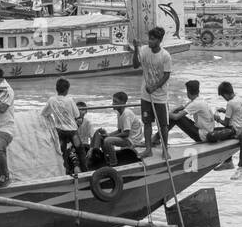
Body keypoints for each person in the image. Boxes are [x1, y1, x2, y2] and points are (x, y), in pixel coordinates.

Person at [135, 26, 173, 158]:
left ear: (159, 40)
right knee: (147, 123)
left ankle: (165, 150)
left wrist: (154, 87)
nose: (149, 41)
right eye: (149, 39)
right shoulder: (144, 50)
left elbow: (166, 75)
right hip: (146, 96)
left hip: (160, 97)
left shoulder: (165, 56)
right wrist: (135, 49)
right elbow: (135, 65)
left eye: (152, 39)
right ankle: (148, 149)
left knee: (163, 126)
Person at [42, 77, 86, 174]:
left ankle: (65, 172)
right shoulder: (70, 100)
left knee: (63, 153)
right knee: (80, 150)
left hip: (60, 131)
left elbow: (44, 113)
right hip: (72, 131)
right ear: (67, 90)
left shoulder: (51, 100)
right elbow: (77, 115)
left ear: (56, 89)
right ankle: (85, 172)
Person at [88, 91, 143, 167]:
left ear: (123, 103)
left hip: (132, 140)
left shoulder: (126, 114)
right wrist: (107, 134)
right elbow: (120, 130)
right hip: (127, 137)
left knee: (108, 140)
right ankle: (106, 158)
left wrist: (109, 137)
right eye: (113, 101)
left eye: (115, 102)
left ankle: (113, 163)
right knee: (102, 137)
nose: (113, 104)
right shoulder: (119, 113)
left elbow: (126, 133)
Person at [169, 79, 215, 143]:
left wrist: (164, 114)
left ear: (188, 92)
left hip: (202, 136)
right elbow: (182, 107)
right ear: (198, 91)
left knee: (177, 118)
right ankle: (158, 137)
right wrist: (171, 111)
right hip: (206, 131)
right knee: (174, 115)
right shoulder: (200, 100)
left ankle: (157, 138)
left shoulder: (195, 103)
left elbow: (176, 117)